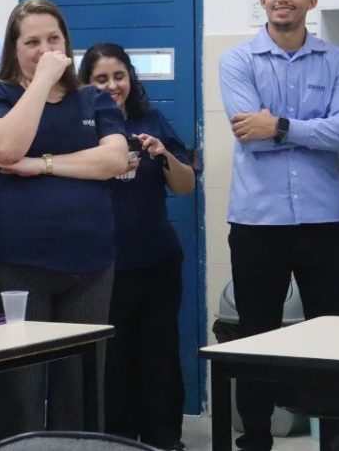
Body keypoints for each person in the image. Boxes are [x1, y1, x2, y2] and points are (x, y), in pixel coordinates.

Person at [219, 0, 339, 451]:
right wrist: (310, 130)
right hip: (257, 221)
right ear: (263, 0)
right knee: (257, 335)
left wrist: (279, 125)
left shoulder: (337, 60)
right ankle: (256, 437)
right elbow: (249, 134)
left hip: (324, 221)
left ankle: (338, 439)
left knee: (335, 333)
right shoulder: (238, 60)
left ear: (311, 1)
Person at [0, 0, 127, 443]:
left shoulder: (93, 99)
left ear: (67, 42)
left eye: (53, 39)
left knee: (80, 384)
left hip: (90, 264)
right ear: (14, 49)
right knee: (21, 385)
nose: (45, 49)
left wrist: (42, 165)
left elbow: (114, 159)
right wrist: (40, 82)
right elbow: (6, 148)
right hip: (16, 266)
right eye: (32, 42)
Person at [79, 43, 196, 451]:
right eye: (101, 79)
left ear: (131, 77)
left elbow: (185, 185)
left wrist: (163, 156)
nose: (112, 85)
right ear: (86, 83)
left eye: (119, 76)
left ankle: (164, 437)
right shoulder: (80, 127)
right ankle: (118, 440)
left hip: (157, 259)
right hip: (103, 267)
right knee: (114, 358)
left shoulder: (151, 120)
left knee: (161, 352)